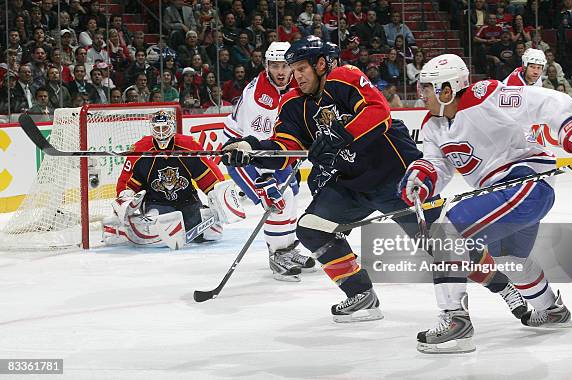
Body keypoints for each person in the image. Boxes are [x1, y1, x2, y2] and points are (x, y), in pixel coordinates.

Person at [221, 36, 443, 322]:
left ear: (321, 64)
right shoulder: (292, 104)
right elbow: (287, 149)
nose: (294, 76)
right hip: (351, 185)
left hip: (396, 178)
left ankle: (511, 289)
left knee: (439, 243)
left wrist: (342, 136)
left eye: (301, 69)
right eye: (292, 69)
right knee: (312, 228)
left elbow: (378, 113)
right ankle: (360, 294)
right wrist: (252, 150)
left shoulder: (345, 78)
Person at [404, 54, 572, 353]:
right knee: (510, 259)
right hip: (503, 194)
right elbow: (437, 163)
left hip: (525, 182)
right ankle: (551, 310)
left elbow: (545, 102)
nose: (422, 96)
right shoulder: (433, 126)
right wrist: (422, 177)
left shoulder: (485, 96)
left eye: (427, 89)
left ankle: (455, 322)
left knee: (446, 232)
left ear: (447, 89)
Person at [224, 41, 315, 281]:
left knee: (293, 193)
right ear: (266, 66)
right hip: (242, 155)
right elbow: (255, 147)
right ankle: (276, 256)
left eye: (285, 65)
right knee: (277, 198)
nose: (281, 71)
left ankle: (288, 248)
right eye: (275, 66)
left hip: (272, 151)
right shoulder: (259, 97)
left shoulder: (294, 84)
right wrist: (264, 181)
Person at [105, 111, 245, 249]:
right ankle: (124, 230)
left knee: (211, 233)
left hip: (188, 201)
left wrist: (219, 195)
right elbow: (127, 180)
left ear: (171, 127)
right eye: (157, 128)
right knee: (159, 230)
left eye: (164, 128)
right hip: (157, 202)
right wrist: (125, 195)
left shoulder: (188, 146)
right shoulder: (141, 149)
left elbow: (207, 174)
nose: (161, 133)